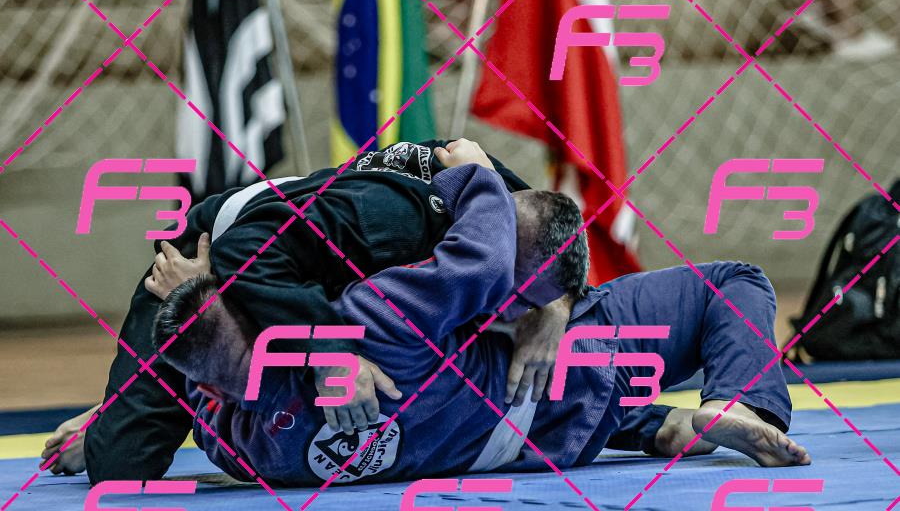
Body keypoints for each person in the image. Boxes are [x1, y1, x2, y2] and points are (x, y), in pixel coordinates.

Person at [152, 163, 808, 487]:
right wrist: (477, 173)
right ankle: (739, 402)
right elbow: (485, 251)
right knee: (736, 282)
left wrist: (193, 296)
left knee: (492, 391)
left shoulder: (254, 454)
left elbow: (205, 386)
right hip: (582, 354)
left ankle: (669, 427)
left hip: (547, 444)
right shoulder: (369, 322)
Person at [39, 140, 571, 482]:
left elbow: (555, 233)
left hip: (300, 280)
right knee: (120, 467)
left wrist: (554, 309)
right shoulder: (392, 222)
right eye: (517, 299)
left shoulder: (489, 197)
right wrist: (326, 351)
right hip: (216, 256)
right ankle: (115, 410)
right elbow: (247, 251)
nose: (509, 314)